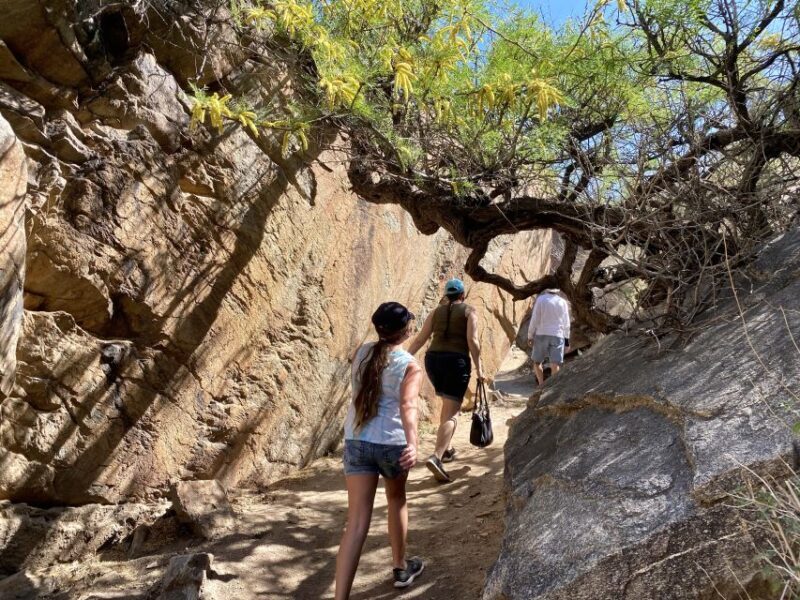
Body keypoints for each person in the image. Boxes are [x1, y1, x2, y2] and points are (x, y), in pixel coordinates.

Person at [334, 301, 425, 599]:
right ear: (406, 330)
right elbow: (408, 406)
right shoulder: (409, 364)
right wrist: (413, 443)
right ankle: (400, 566)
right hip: (391, 443)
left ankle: (340, 597)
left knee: (357, 521)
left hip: (358, 440)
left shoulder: (361, 353)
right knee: (396, 499)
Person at [407, 278, 484, 483]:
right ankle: (437, 457)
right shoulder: (469, 312)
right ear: (462, 295)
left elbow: (421, 338)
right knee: (453, 412)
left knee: (447, 404)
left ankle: (447, 449)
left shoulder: (435, 312)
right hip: (455, 361)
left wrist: (405, 357)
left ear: (446, 295)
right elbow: (472, 341)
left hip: (433, 361)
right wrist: (480, 366)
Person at [527, 288, 570, 386]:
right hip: (557, 335)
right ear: (558, 290)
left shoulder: (541, 299)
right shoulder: (562, 302)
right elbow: (566, 322)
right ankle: (553, 387)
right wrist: (566, 341)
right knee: (555, 363)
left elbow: (535, 319)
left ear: (546, 289)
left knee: (537, 362)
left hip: (541, 334)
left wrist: (530, 335)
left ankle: (541, 385)